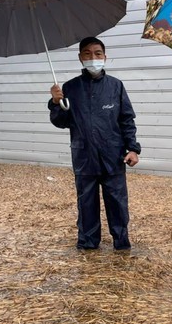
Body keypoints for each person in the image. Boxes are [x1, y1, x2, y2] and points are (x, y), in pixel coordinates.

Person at [48, 36, 141, 251]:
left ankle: (121, 242)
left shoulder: (115, 86)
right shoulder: (70, 88)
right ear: (80, 58)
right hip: (84, 157)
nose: (93, 58)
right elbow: (61, 122)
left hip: (113, 157)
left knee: (117, 203)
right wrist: (55, 103)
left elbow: (126, 119)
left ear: (105, 57)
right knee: (86, 203)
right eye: (87, 54)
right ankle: (88, 243)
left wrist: (133, 149)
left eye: (98, 54)